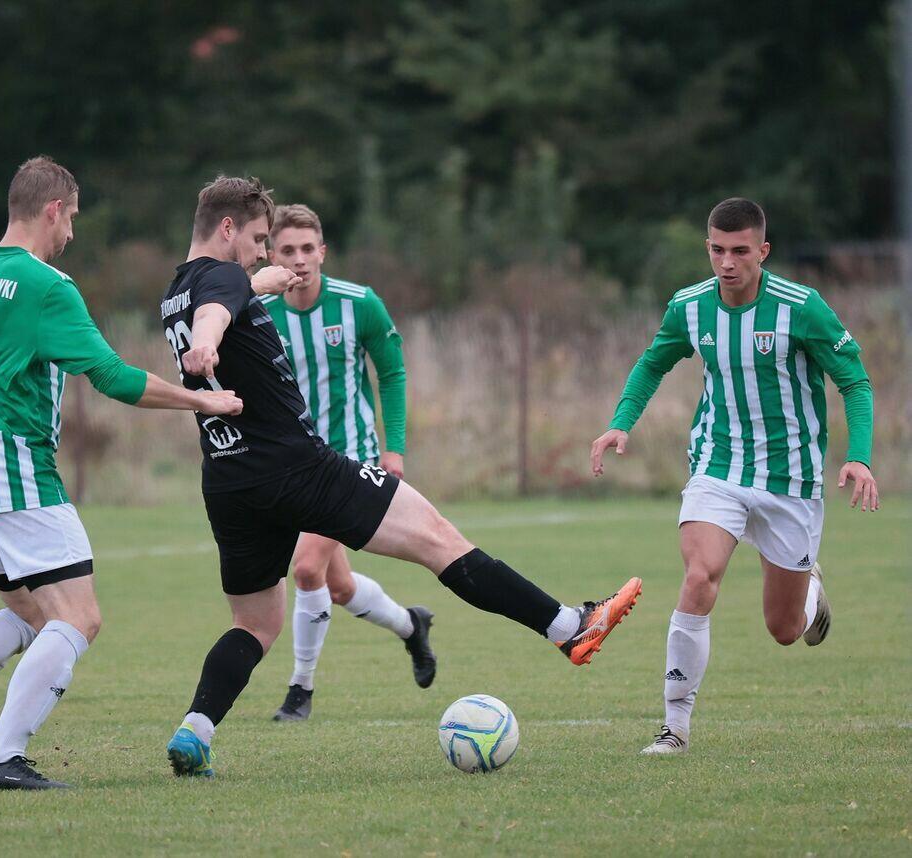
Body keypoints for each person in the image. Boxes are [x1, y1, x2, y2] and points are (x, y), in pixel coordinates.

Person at [159, 175, 643, 777]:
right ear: (227, 228)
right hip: (295, 467)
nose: (262, 252)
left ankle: (195, 732)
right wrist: (207, 343)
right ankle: (570, 626)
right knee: (439, 539)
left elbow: (224, 297)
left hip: (228, 480)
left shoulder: (176, 291)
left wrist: (253, 291)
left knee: (255, 623)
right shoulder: (219, 283)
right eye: (260, 240)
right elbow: (217, 310)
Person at [0, 156, 243, 791]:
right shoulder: (47, 286)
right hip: (12, 463)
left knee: (34, 616)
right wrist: (203, 400)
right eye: (73, 218)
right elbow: (113, 377)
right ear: (53, 209)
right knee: (79, 617)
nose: (72, 234)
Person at [590, 197, 878, 756]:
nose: (727, 262)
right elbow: (652, 362)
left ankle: (810, 589)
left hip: (791, 478)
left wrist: (859, 455)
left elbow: (855, 382)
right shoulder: (690, 307)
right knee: (700, 577)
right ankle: (675, 728)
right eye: (718, 250)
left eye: (740, 251)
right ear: (708, 248)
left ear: (762, 251)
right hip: (717, 464)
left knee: (784, 629)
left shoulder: (802, 308)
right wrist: (620, 422)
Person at [261, 203, 434, 722]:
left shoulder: (359, 304)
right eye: (287, 250)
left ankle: (300, 690)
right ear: (271, 256)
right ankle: (411, 625)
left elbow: (392, 373)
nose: (298, 259)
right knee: (337, 586)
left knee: (305, 568)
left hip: (347, 459)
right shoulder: (259, 312)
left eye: (306, 249)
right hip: (291, 463)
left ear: (323, 252)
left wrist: (394, 447)